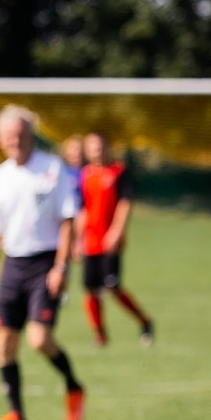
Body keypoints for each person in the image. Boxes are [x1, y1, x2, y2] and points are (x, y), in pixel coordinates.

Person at [0, 105, 87, 420]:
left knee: (38, 339)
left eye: (21, 134)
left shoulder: (53, 169)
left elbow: (68, 222)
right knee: (4, 344)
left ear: (31, 135)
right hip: (13, 264)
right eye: (9, 136)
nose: (16, 141)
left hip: (46, 262)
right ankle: (16, 414)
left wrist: (61, 267)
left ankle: (74, 385)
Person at [77, 131, 154, 347]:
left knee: (112, 288)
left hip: (109, 241)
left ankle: (144, 321)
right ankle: (99, 334)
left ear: (108, 147)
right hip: (90, 241)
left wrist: (116, 231)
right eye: (92, 146)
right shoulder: (85, 174)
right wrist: (77, 239)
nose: (96, 150)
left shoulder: (118, 171)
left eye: (100, 146)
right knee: (90, 289)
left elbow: (125, 202)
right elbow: (83, 209)